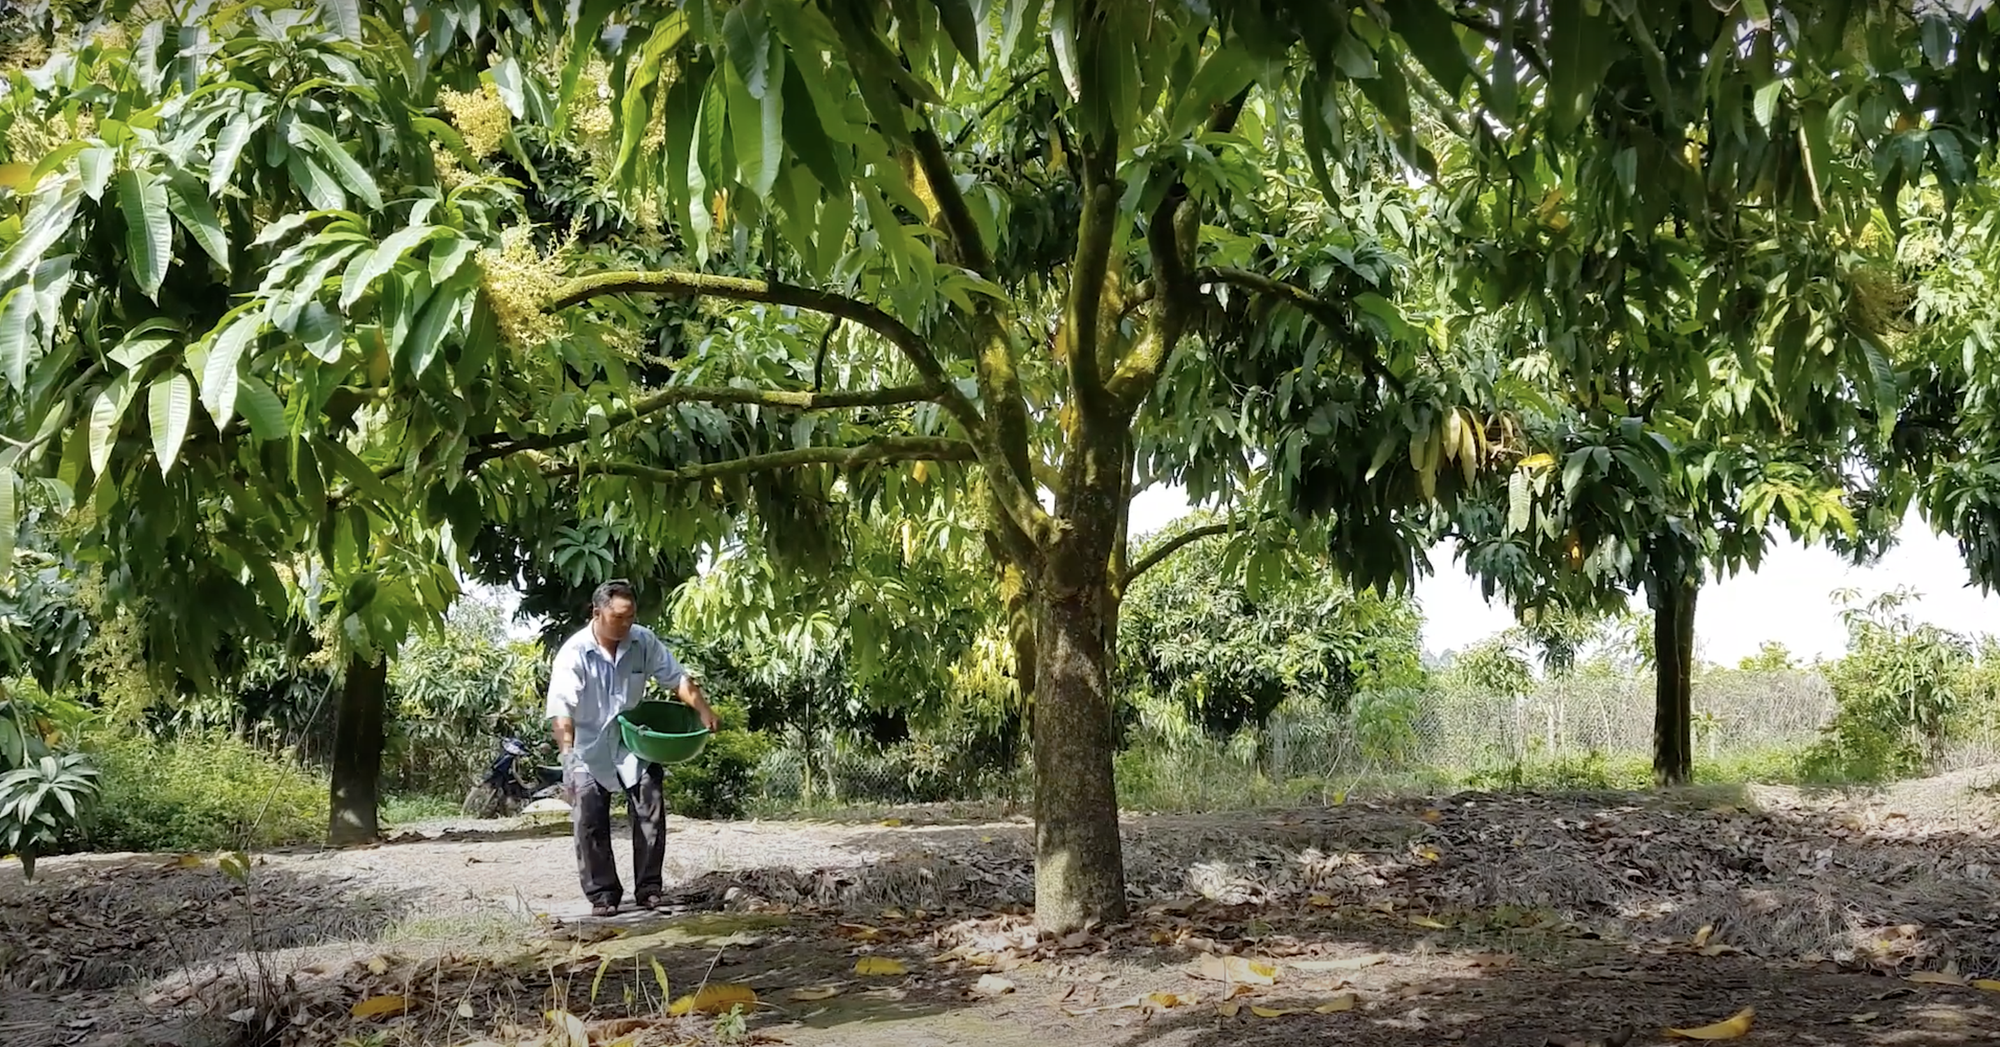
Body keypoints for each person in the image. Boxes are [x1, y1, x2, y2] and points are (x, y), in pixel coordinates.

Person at [546, 578, 721, 916]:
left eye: (631, 617)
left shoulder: (643, 641)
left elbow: (677, 679)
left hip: (630, 740)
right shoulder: (575, 652)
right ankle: (603, 895)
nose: (626, 624)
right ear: (596, 613)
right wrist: (567, 755)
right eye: (618, 617)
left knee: (650, 803)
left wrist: (704, 711)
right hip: (588, 743)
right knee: (589, 817)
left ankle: (650, 889)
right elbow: (562, 708)